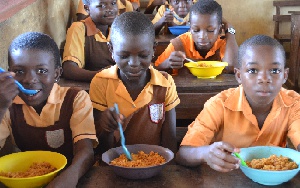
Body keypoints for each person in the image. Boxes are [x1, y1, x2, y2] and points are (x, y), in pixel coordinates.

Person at [176, 34, 300, 172]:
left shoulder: (293, 103)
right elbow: (184, 154)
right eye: (253, 70)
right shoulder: (219, 104)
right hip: (224, 179)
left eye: (274, 71)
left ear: (285, 75)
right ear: (239, 76)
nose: (264, 79)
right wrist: (205, 153)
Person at [0, 32, 98, 187]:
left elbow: (85, 151)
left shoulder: (75, 99)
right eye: (19, 71)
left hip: (73, 176)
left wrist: (69, 177)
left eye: (41, 71)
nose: (29, 80)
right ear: (9, 73)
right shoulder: (8, 104)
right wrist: (1, 106)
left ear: (57, 74)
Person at [89, 12, 180, 155]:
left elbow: (170, 140)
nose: (134, 63)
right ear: (111, 50)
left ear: (153, 50)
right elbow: (101, 150)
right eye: (124, 56)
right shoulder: (101, 82)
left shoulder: (165, 83)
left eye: (143, 55)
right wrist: (107, 128)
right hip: (113, 165)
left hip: (154, 163)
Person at [154, 0, 238, 74]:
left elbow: (232, 66)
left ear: (219, 30)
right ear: (190, 29)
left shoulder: (223, 44)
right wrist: (168, 63)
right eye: (196, 30)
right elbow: (154, 70)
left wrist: (229, 30)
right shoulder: (179, 44)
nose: (202, 36)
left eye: (210, 30)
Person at [62, 0, 119, 82]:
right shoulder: (79, 29)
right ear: (87, 8)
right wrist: (101, 75)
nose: (110, 9)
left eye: (113, 3)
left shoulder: (118, 29)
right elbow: (69, 69)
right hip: (91, 88)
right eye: (101, 6)